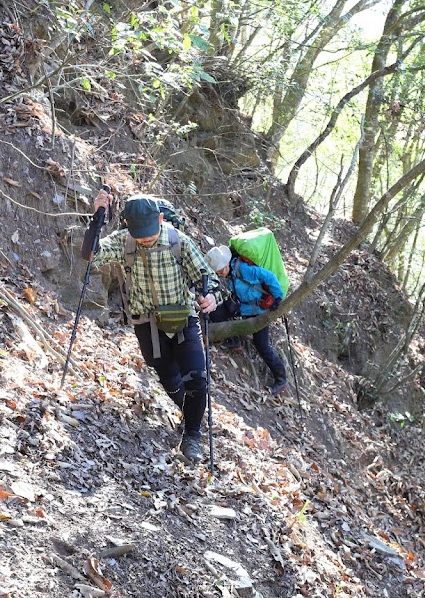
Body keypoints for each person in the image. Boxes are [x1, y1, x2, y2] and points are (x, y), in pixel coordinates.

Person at [90, 190, 219, 462]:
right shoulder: (124, 242)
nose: (146, 239)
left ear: (161, 219)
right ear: (128, 226)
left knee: (197, 377)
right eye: (140, 234)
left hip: (183, 318)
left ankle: (192, 437)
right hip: (146, 324)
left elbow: (207, 277)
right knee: (167, 376)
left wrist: (210, 297)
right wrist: (98, 217)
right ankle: (189, 414)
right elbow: (90, 254)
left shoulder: (178, 242)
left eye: (150, 232)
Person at [205, 245, 288, 395]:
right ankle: (235, 340)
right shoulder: (230, 272)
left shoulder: (243, 269)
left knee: (262, 345)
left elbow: (268, 277)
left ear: (224, 266)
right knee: (216, 313)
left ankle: (281, 379)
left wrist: (277, 297)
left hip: (257, 311)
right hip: (242, 306)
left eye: (218, 271)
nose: (218, 274)